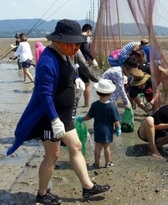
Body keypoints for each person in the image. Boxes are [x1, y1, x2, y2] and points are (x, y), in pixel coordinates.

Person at [6, 19, 110, 204]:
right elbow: (44, 95)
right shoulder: (47, 60)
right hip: (50, 117)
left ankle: (87, 187)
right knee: (52, 155)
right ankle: (43, 193)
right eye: (73, 43)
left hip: (63, 116)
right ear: (60, 40)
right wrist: (54, 120)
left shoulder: (64, 55)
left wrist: (76, 79)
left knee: (76, 146)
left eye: (78, 43)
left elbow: (67, 73)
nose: (76, 47)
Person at [77, 79, 121, 168]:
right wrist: (118, 128)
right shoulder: (112, 106)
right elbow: (116, 120)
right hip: (108, 130)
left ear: (97, 92)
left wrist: (81, 118)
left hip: (97, 129)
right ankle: (107, 163)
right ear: (110, 93)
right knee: (107, 147)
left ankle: (96, 163)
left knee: (98, 147)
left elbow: (89, 116)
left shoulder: (95, 105)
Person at [80, 23, 99, 107]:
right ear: (88, 31)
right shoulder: (86, 37)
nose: (91, 34)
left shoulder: (77, 37)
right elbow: (86, 49)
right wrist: (93, 59)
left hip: (75, 63)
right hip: (83, 63)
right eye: (91, 32)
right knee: (87, 84)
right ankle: (86, 104)